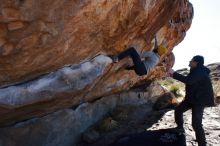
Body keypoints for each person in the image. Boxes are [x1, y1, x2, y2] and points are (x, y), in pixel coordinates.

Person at [169, 55, 215, 146]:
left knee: (196, 124)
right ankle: (180, 128)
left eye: (191, 60)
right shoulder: (196, 71)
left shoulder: (200, 71)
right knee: (178, 110)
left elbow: (189, 81)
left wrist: (174, 73)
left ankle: (202, 144)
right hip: (191, 99)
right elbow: (191, 84)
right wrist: (172, 74)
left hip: (199, 101)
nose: (189, 62)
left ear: (195, 62)